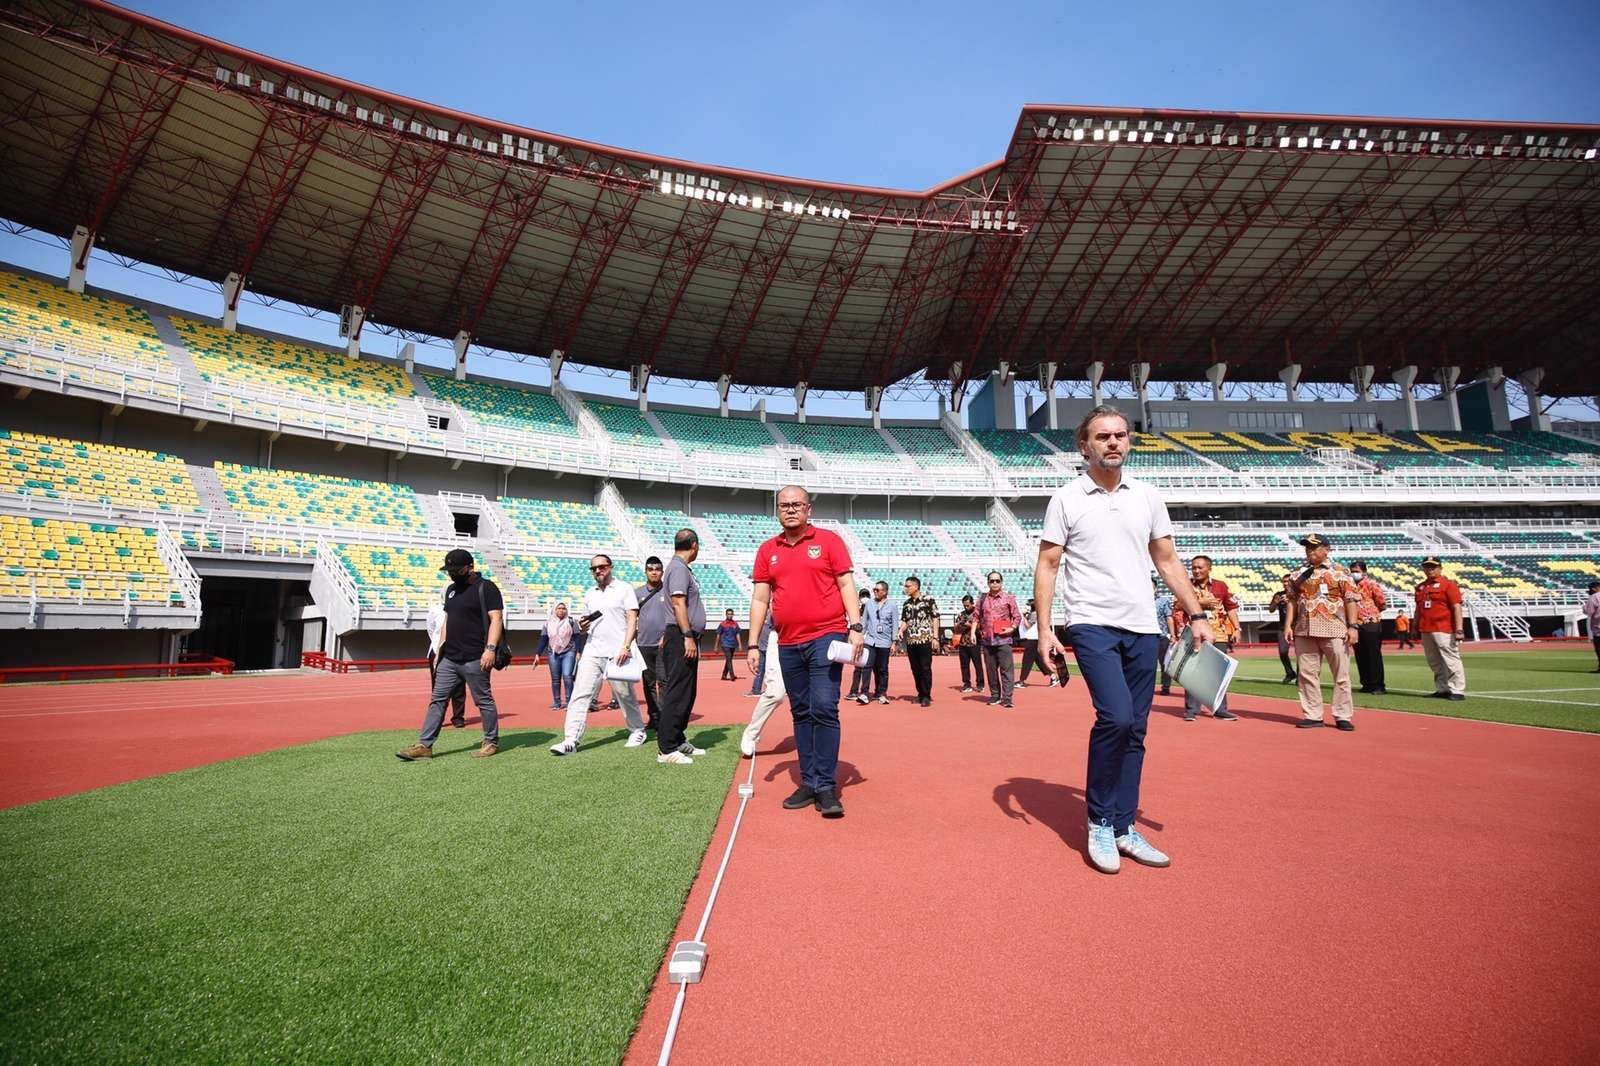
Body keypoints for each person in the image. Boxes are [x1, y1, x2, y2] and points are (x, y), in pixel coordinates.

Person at [1034, 406, 1210, 875]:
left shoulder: (1148, 497)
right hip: (1091, 623)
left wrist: (1196, 613)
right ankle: (1098, 821)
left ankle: (1123, 826)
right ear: (1084, 445)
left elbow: (1168, 561)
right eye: (1102, 436)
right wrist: (1046, 630)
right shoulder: (1067, 499)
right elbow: (1048, 565)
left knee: (1137, 730)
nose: (1113, 442)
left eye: (1120, 435)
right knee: (1115, 717)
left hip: (1142, 626)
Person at [746, 485, 863, 818]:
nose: (791, 509)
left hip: (827, 636)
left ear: (808, 508)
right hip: (787, 642)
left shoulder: (829, 542)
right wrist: (753, 643)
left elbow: (845, 585)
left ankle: (826, 786)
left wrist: (855, 627)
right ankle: (809, 781)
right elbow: (760, 599)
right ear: (777, 510)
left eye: (797, 504)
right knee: (800, 711)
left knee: (824, 707)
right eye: (785, 505)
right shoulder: (768, 549)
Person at [397, 548, 504, 761]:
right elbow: (447, 621)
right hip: (450, 658)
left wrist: (490, 649)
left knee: (483, 700)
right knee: (437, 700)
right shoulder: (451, 590)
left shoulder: (487, 588)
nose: (452, 573)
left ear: (470, 567)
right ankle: (424, 745)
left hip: (476, 657)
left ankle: (491, 741)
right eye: (449, 570)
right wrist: (440, 650)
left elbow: (497, 619)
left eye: (456, 569)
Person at [549, 554, 646, 755]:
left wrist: (626, 646)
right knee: (580, 693)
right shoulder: (589, 594)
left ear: (610, 567)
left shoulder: (624, 588)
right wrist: (584, 626)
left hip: (618, 650)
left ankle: (637, 729)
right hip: (593, 649)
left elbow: (632, 619)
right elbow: (588, 626)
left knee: (624, 694)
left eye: (601, 567)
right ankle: (570, 739)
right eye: (593, 568)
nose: (598, 571)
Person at [1285, 533, 1361, 731]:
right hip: (1304, 629)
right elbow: (1292, 600)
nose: (1310, 551)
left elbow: (1351, 599)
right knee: (1307, 674)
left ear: (1327, 549)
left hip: (1334, 629)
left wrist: (1353, 627)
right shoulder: (1297, 573)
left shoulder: (1340, 572)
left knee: (1341, 674)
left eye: (1315, 547)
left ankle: (1343, 715)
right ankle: (1313, 714)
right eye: (1307, 547)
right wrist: (1287, 625)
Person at [658, 529, 709, 764]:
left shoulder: (681, 568)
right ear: (694, 546)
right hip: (681, 636)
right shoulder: (678, 568)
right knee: (678, 691)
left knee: (687, 691)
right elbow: (679, 603)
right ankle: (666, 748)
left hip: (684, 636)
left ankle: (677, 739)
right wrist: (687, 634)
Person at [1171, 555, 1240, 722]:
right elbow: (1177, 605)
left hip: (1219, 634)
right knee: (1191, 671)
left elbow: (1230, 608)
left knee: (1218, 673)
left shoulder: (1221, 586)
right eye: (1194, 567)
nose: (1196, 570)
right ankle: (1191, 709)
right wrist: (1201, 603)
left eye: (1200, 567)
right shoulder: (1185, 586)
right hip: (1194, 634)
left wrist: (1237, 627)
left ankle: (1220, 709)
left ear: (1209, 568)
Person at [1415, 557, 1467, 700]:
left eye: (1433, 567)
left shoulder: (1449, 585)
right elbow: (1418, 609)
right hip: (1426, 628)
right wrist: (1414, 627)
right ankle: (1442, 688)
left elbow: (1456, 607)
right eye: (1427, 567)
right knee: (1434, 661)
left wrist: (1459, 629)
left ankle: (1457, 690)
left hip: (1444, 628)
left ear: (1440, 568)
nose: (1430, 569)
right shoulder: (1421, 587)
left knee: (1451, 659)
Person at [974, 571, 1021, 707]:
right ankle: (995, 695)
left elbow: (1017, 616)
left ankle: (1007, 698)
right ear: (988, 582)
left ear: (1001, 582)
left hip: (1004, 640)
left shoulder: (1008, 598)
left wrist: (1012, 628)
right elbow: (976, 617)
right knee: (991, 670)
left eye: (997, 581)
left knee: (1006, 670)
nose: (994, 583)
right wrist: (973, 633)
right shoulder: (982, 599)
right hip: (988, 640)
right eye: (992, 581)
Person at [634, 558, 669, 731]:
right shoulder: (637, 593)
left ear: (662, 571)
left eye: (657, 569)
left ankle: (664, 717)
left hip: (663, 644)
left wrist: (667, 636)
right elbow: (631, 618)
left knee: (663, 682)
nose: (654, 572)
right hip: (643, 644)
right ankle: (654, 716)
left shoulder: (669, 592)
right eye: (650, 569)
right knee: (648, 683)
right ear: (646, 571)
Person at [740, 618, 784, 754]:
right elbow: (760, 602)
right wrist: (753, 646)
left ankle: (812, 740)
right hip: (781, 634)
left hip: (817, 636)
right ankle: (751, 734)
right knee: (776, 693)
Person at [896, 575, 940, 707]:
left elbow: (935, 618)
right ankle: (920, 693)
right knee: (915, 668)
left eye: (908, 586)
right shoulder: (906, 603)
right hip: (911, 641)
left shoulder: (928, 600)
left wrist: (935, 637)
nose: (906, 588)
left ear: (916, 586)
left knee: (925, 668)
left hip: (925, 639)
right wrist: (900, 631)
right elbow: (905, 620)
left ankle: (926, 695)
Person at [854, 581, 897, 704]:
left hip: (884, 641)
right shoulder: (869, 604)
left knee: (882, 669)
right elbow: (865, 622)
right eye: (874, 590)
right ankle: (864, 693)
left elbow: (895, 624)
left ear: (885, 592)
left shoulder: (892, 605)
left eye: (877, 590)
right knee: (866, 666)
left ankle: (882, 693)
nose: (875, 592)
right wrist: (860, 637)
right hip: (870, 640)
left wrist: (894, 642)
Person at [425, 597, 467, 728]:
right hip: (437, 650)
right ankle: (438, 718)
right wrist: (437, 644)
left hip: (458, 650)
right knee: (437, 686)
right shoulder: (435, 610)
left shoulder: (462, 608)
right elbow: (430, 628)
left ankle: (458, 717)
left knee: (459, 685)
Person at [1349, 560, 1388, 694]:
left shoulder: (1371, 584)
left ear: (1364, 572)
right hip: (1355, 624)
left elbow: (1381, 602)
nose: (1354, 574)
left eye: (1357, 571)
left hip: (1370, 622)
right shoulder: (1350, 585)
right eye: (1352, 571)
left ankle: (1378, 685)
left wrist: (1371, 613)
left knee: (1373, 654)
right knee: (1360, 655)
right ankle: (1366, 683)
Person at [535, 601, 579, 708]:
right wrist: (537, 654)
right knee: (555, 679)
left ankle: (570, 702)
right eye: (558, 608)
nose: (561, 610)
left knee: (567, 676)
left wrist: (578, 652)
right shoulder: (548, 623)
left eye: (563, 608)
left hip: (569, 651)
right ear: (554, 610)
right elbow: (544, 639)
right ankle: (557, 702)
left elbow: (577, 637)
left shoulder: (572, 621)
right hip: (553, 653)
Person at [1015, 599, 1055, 688]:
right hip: (1034, 639)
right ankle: (1053, 677)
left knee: (1027, 661)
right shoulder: (1034, 614)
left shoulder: (1034, 614)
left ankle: (1022, 681)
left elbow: (1028, 625)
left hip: (1032, 640)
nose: (1027, 607)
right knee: (1039, 661)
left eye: (1029, 605)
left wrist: (1023, 616)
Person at [953, 594, 984, 694]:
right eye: (964, 605)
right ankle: (966, 684)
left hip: (975, 643)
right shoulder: (961, 614)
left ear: (972, 603)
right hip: (963, 643)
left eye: (968, 605)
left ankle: (980, 684)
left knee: (977, 664)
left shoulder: (978, 613)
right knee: (964, 665)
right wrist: (958, 625)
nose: (966, 607)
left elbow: (980, 628)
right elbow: (956, 630)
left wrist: (969, 625)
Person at [1153, 577, 1175, 696]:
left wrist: (1172, 635)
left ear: (1156, 588)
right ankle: (1146, 686)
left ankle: (1165, 687)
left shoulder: (1163, 601)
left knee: (1165, 663)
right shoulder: (1140, 601)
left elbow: (1169, 617)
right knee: (1147, 664)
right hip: (1146, 636)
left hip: (1161, 636)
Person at [1268, 586, 1296, 681]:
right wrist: (1275, 602)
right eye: (1284, 582)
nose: (1286, 584)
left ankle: (1300, 676)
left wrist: (1291, 600)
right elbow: (1271, 610)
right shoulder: (1279, 595)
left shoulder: (1297, 593)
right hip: (1283, 627)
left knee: (1301, 653)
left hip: (1297, 626)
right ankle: (1290, 673)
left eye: (1288, 582)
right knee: (1282, 652)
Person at [716, 609, 741, 681]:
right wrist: (716, 646)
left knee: (728, 660)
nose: (729, 615)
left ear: (733, 615)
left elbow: (737, 634)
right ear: (726, 614)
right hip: (725, 644)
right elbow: (718, 635)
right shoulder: (722, 624)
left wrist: (740, 644)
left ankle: (724, 675)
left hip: (733, 644)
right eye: (728, 614)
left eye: (731, 614)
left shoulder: (735, 624)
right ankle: (732, 675)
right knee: (729, 660)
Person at [1583, 581, 1600, 672]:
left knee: (1599, 649)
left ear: (1594, 588)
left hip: (1598, 628)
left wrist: (1584, 607)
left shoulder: (1594, 597)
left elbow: (1588, 612)